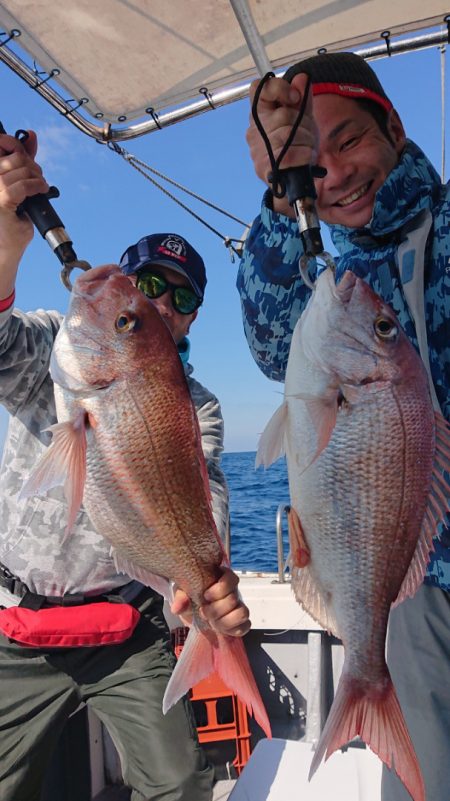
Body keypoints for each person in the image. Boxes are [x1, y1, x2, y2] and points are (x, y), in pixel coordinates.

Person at [0, 130, 250, 801]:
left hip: (124, 626)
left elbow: (206, 494)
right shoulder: (58, 345)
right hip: (17, 625)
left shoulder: (199, 404)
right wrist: (8, 237)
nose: (162, 304)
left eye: (182, 297)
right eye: (148, 287)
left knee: (182, 784)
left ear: (194, 320)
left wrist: (206, 577)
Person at [238, 52, 449, 801]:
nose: (336, 173)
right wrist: (277, 194)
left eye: (350, 139)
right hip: (416, 591)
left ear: (393, 125)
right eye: (310, 164)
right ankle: (369, 687)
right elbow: (267, 339)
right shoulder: (325, 272)